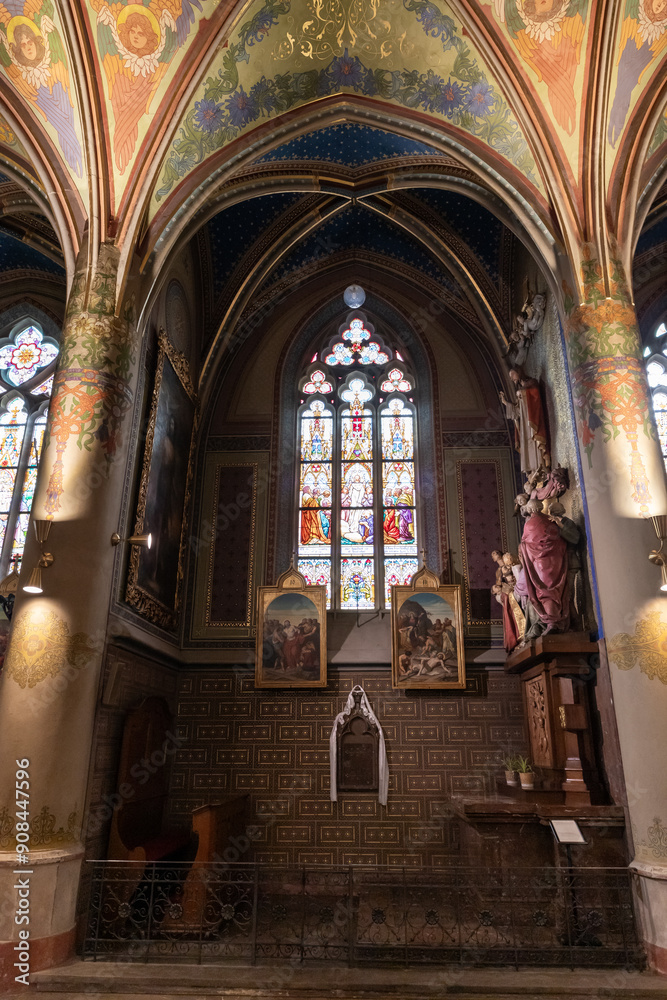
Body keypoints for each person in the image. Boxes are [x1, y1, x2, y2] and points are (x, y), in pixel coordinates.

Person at [519, 498, 569, 639]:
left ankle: (552, 623)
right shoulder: (550, 520)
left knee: (544, 591)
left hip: (540, 562)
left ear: (529, 509)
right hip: (555, 559)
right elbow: (559, 539)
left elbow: (525, 543)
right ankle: (556, 622)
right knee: (555, 589)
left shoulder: (529, 524)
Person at [499, 369, 550, 475]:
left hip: (533, 419)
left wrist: (522, 393)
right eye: (510, 376)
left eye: (512, 374)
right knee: (528, 444)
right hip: (525, 422)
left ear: (519, 372)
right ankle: (535, 469)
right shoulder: (521, 389)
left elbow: (535, 395)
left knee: (535, 440)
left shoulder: (531, 383)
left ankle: (542, 464)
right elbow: (518, 412)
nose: (511, 377)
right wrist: (505, 402)